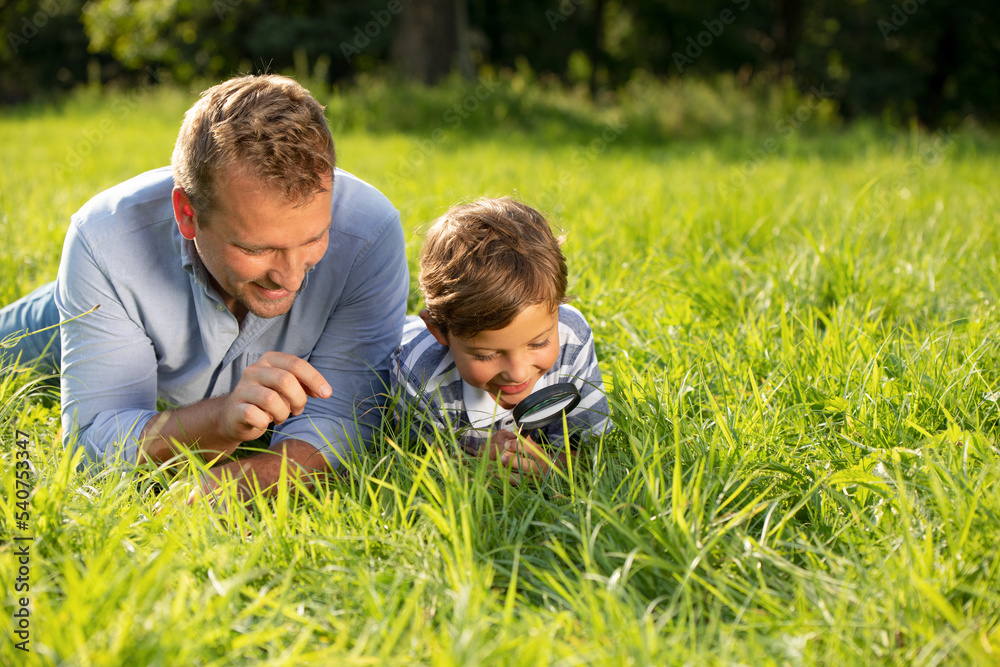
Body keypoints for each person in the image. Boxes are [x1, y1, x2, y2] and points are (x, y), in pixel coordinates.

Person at [0, 74, 409, 498]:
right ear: (187, 214)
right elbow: (90, 447)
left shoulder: (369, 236)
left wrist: (222, 488)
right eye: (256, 248)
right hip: (101, 305)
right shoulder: (105, 242)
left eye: (312, 241)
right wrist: (218, 420)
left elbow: (345, 422)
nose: (290, 278)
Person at [390, 197, 609, 479]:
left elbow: (592, 450)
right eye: (486, 355)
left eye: (539, 343)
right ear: (440, 332)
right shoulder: (418, 376)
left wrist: (552, 464)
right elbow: (421, 465)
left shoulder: (571, 338)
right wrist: (476, 464)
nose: (518, 373)